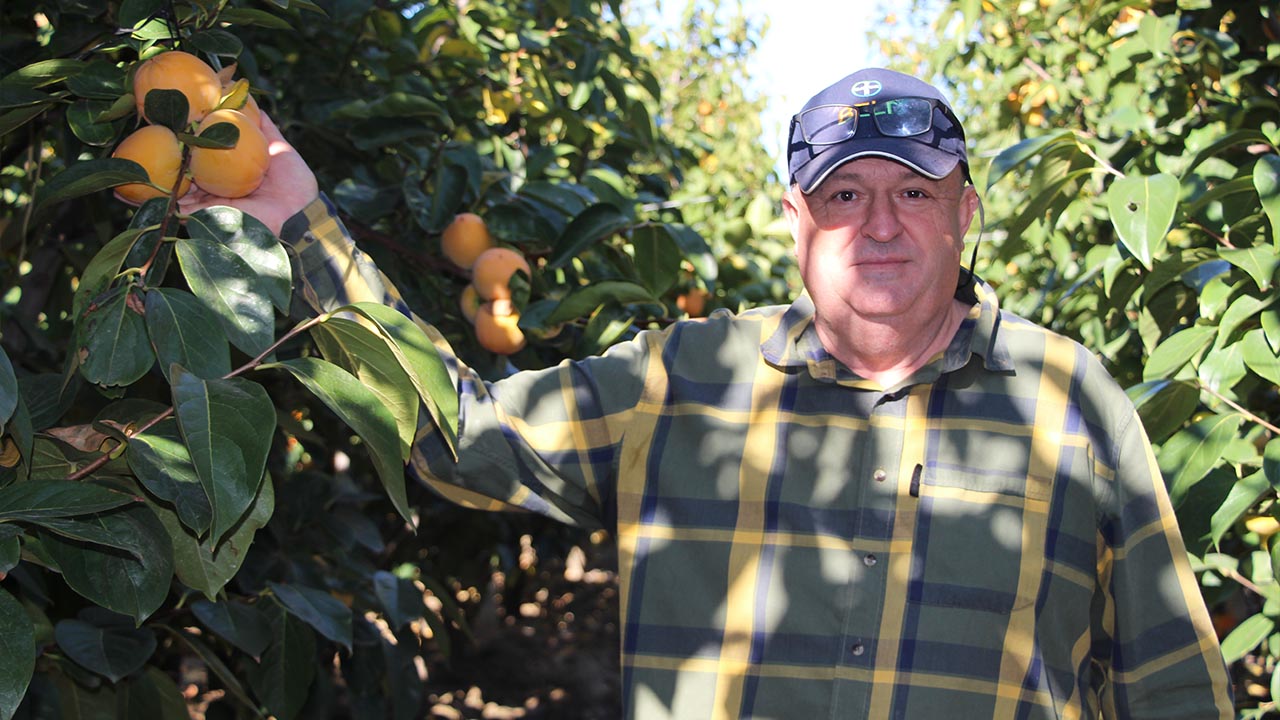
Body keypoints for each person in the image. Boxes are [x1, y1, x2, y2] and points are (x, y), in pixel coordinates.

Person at [182, 67, 1233, 718]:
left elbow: (1168, 684)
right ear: (792, 218)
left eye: (913, 192)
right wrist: (296, 224)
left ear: (964, 214)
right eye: (843, 194)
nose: (878, 224)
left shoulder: (1068, 399)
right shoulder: (681, 381)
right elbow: (456, 436)